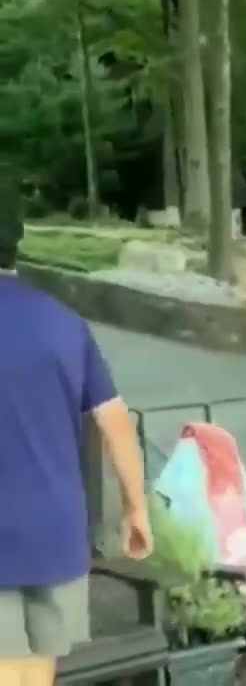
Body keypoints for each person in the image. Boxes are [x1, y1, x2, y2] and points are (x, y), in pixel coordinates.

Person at [0, 209, 152, 686]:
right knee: (38, 663)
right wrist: (136, 509)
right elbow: (115, 422)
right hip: (56, 527)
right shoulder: (64, 323)